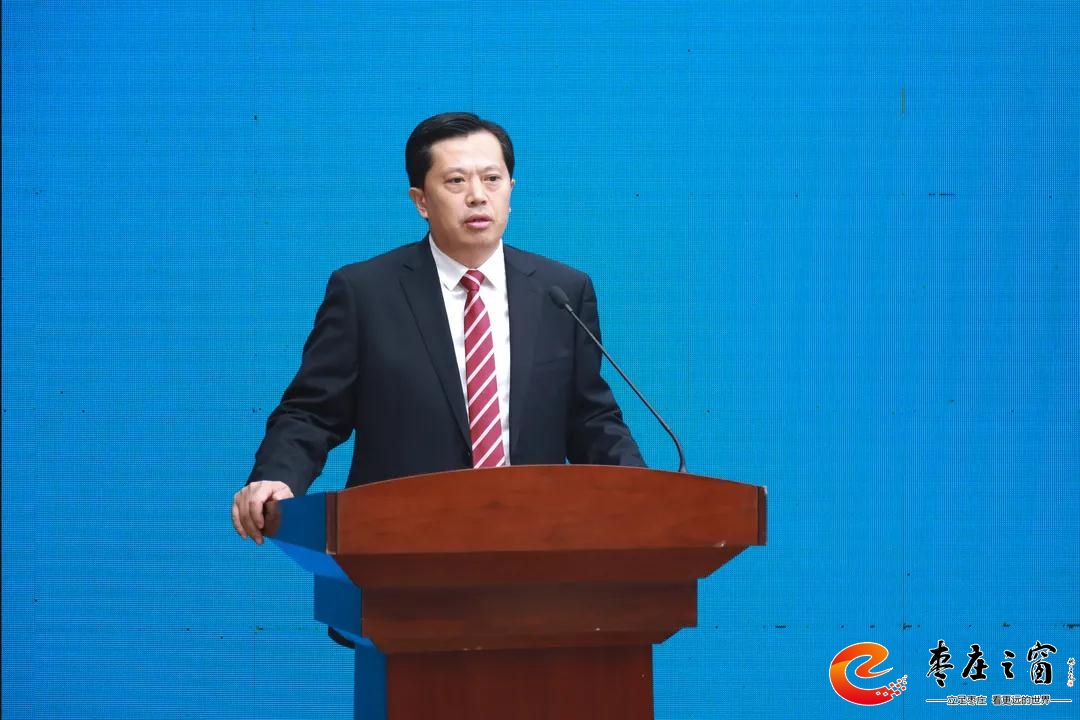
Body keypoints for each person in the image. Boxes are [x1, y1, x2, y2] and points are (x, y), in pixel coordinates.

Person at [232, 112, 644, 544]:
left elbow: (589, 416)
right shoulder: (365, 293)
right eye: (456, 182)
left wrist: (642, 487)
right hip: (397, 543)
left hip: (531, 546)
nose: (477, 196)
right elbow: (312, 412)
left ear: (510, 190)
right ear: (421, 201)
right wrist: (277, 477)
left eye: (492, 179)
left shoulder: (562, 291)